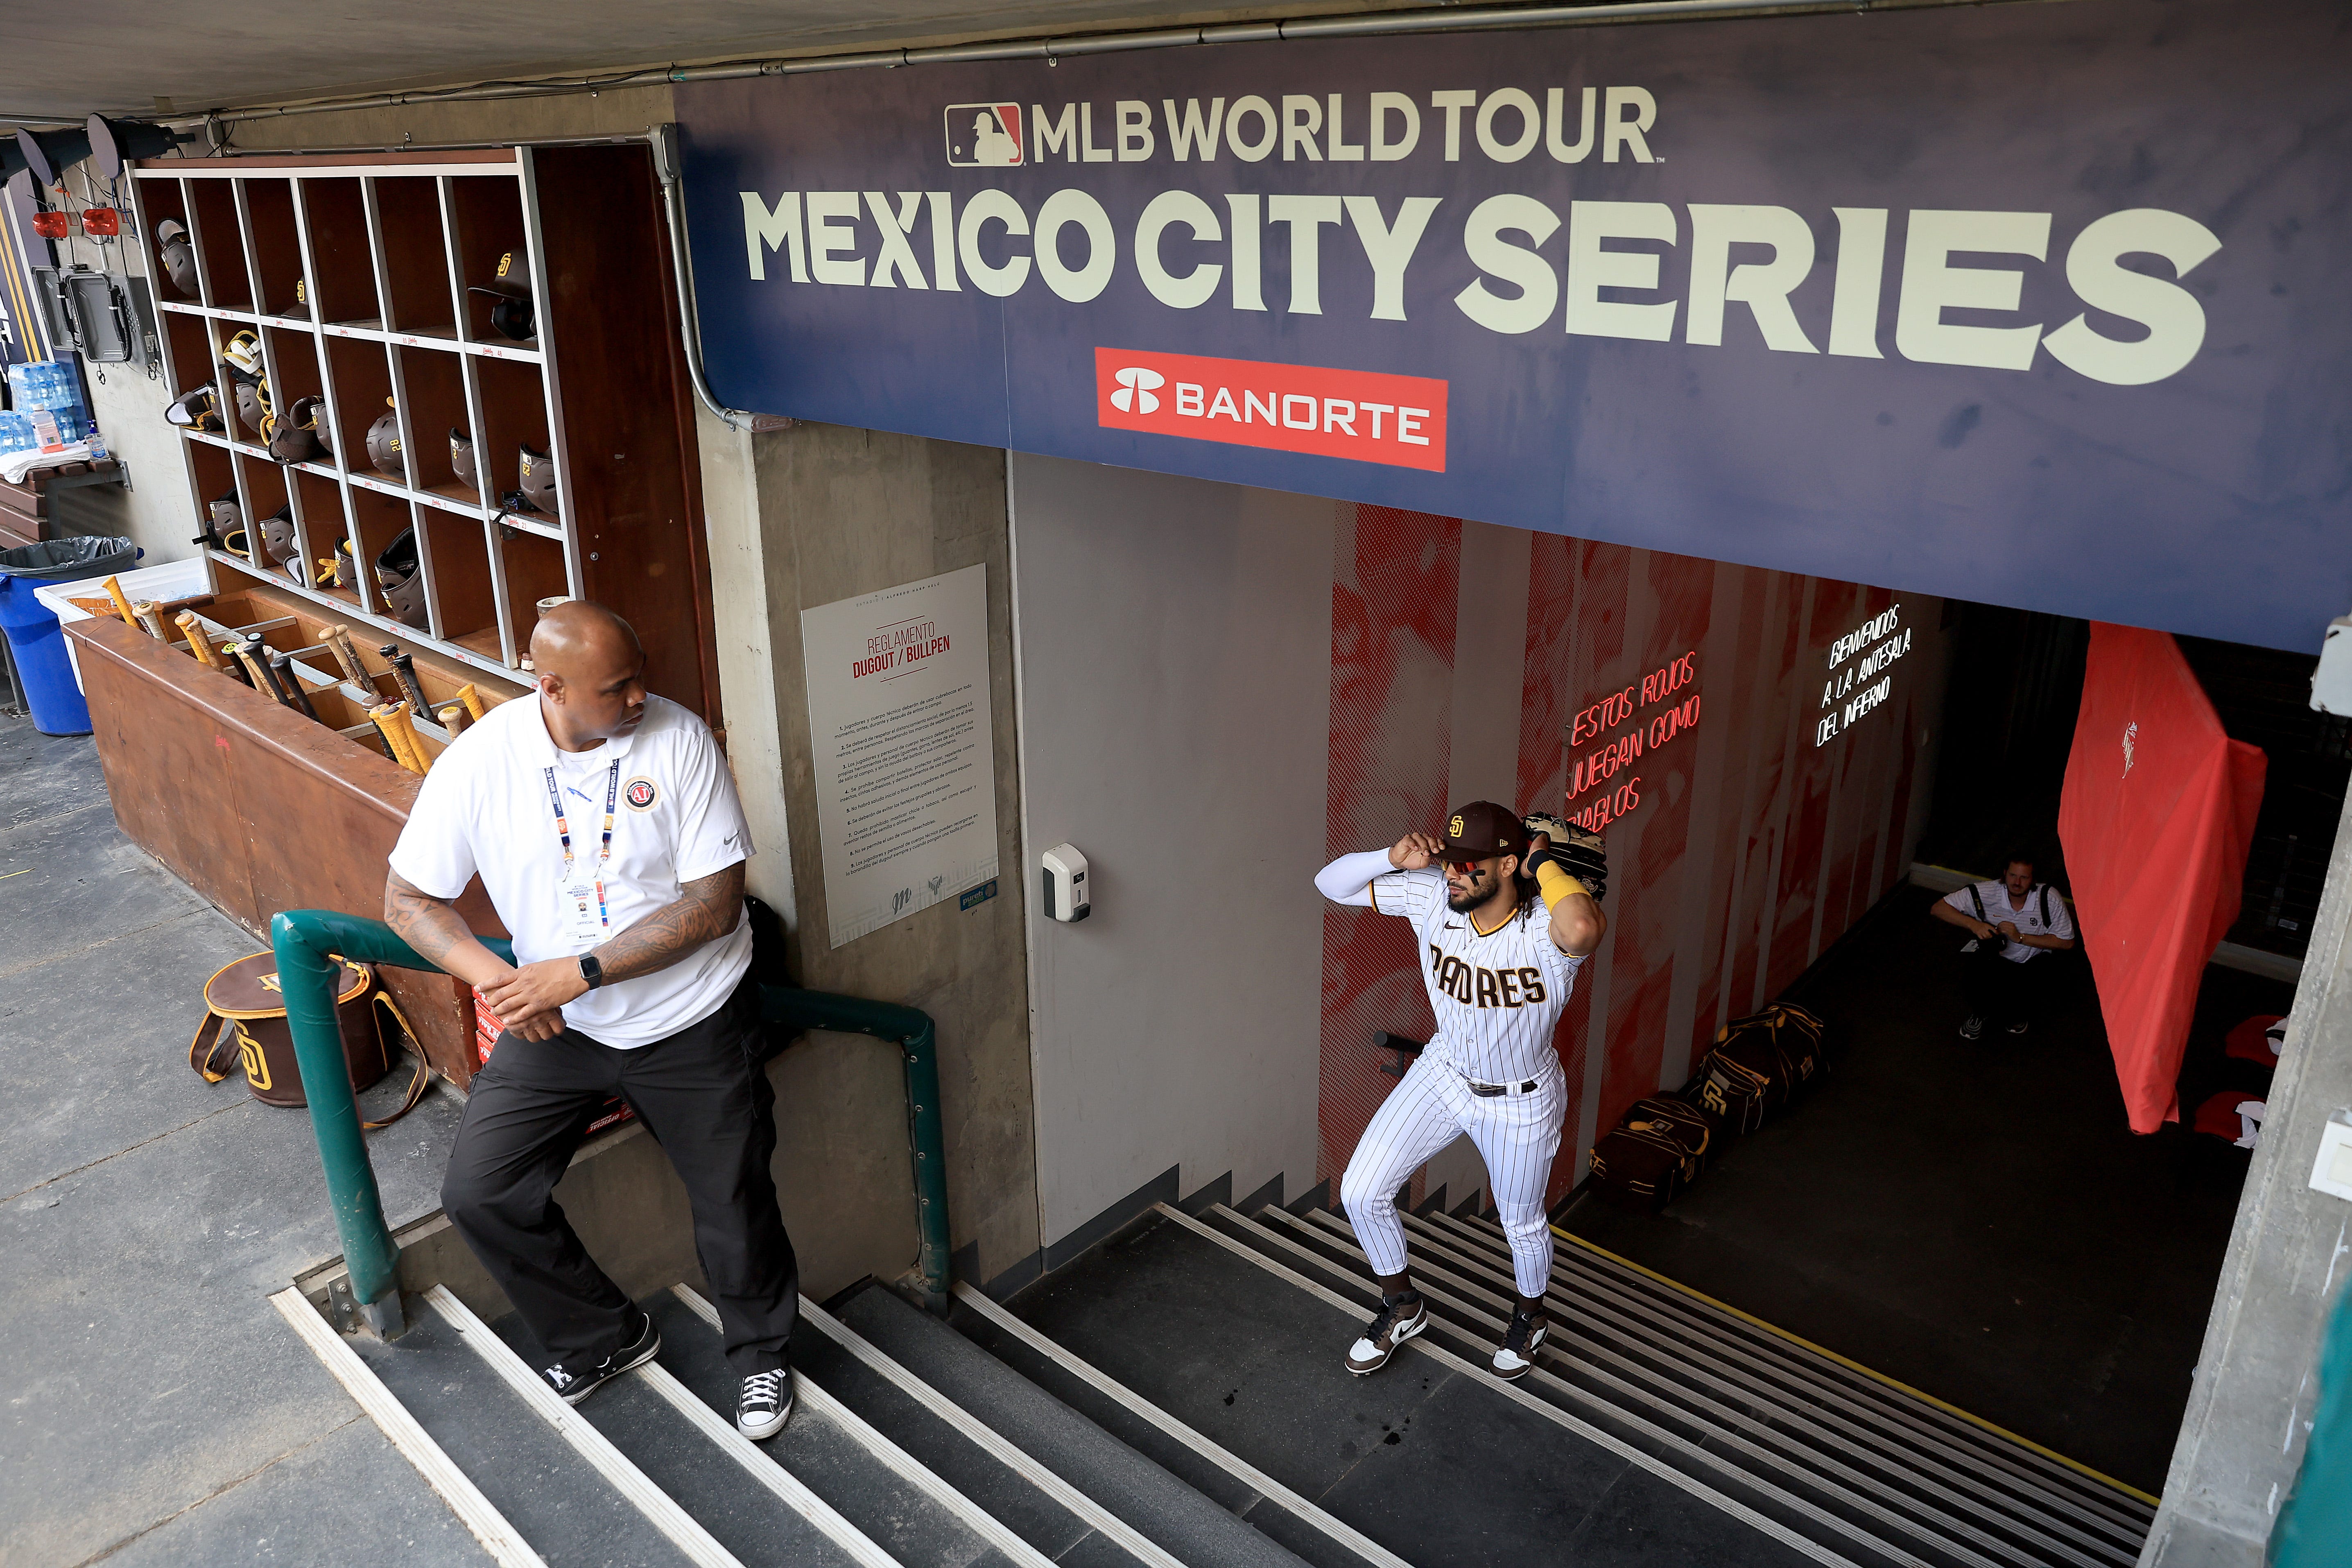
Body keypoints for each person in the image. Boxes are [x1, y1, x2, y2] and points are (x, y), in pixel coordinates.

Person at [383, 602, 796, 1440]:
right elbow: (407, 901)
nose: (641, 695)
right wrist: (500, 981)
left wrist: (577, 973)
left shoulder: (677, 742)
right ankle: (603, 1336)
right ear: (553, 687)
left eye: (640, 675)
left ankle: (760, 1357)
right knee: (480, 1190)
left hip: (692, 1018)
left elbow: (715, 908)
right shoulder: (482, 762)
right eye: (617, 687)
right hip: (559, 1031)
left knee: (733, 1198)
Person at [1314, 801, 1607, 1381]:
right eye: (1450, 861)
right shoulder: (1432, 898)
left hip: (1521, 1099)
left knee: (1521, 1223)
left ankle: (1530, 1317)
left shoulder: (1543, 930)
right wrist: (1390, 858)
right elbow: (1329, 884)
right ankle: (1402, 1305)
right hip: (1444, 1073)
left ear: (1507, 864)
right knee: (1361, 1190)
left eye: (1468, 864)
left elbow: (1582, 926)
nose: (1451, 873)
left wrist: (1541, 861)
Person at [1929, 853, 2077, 1040]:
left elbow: (2067, 942)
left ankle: (2017, 1016)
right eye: (2013, 876)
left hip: (2032, 959)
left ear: (2033, 880)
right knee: (1975, 977)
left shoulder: (2049, 898)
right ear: (2005, 874)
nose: (2017, 882)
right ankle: (1979, 1014)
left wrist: (2021, 938)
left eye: (2024, 877)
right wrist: (1975, 925)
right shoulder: (1985, 892)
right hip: (1995, 957)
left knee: (2034, 991)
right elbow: (1938, 908)